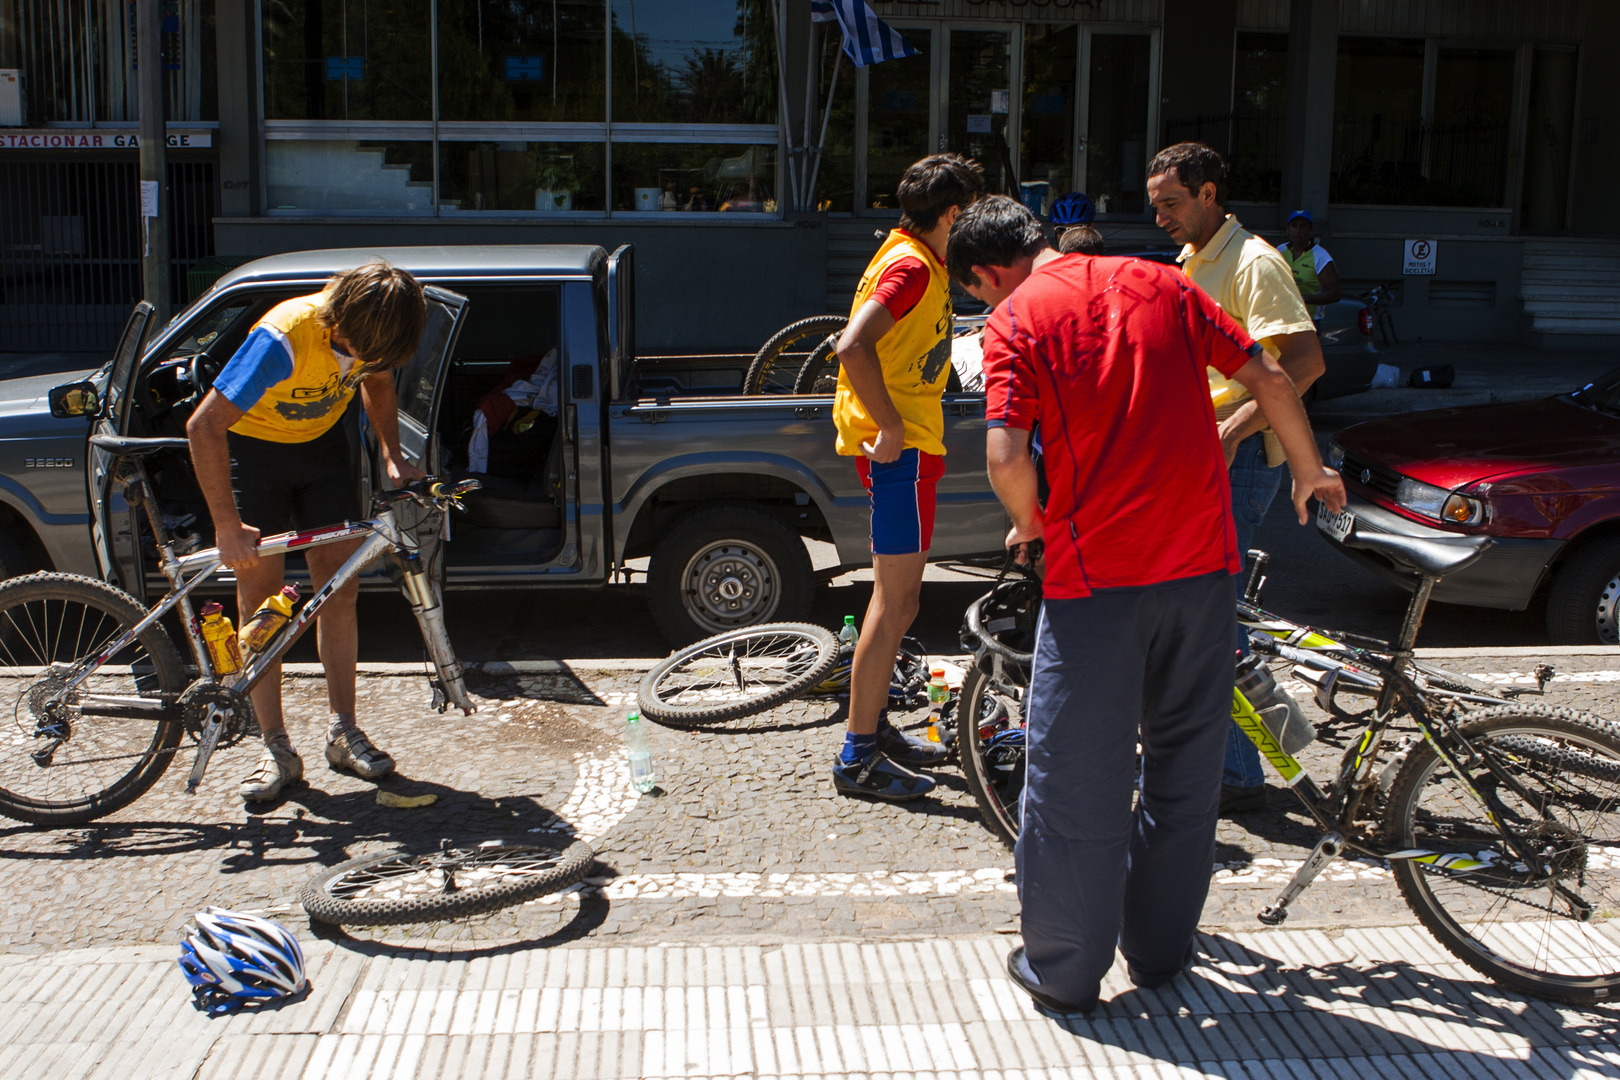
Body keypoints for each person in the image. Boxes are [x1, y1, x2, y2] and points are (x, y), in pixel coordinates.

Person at [950, 194, 1344, 1014]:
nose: (988, 304)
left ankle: (1064, 969)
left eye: (981, 292)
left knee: (1075, 780)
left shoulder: (1017, 319)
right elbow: (1271, 373)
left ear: (990, 273)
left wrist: (1031, 524)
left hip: (1099, 582)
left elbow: (1002, 457)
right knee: (1185, 770)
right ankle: (1162, 954)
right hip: (1203, 568)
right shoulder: (1162, 282)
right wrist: (1309, 470)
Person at [186, 262, 428, 801]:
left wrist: (392, 456)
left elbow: (380, 382)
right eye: (357, 351)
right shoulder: (283, 337)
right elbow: (203, 426)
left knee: (339, 592)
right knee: (262, 604)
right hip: (256, 456)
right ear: (339, 322)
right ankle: (274, 745)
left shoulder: (371, 337)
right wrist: (227, 524)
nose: (362, 362)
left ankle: (343, 731)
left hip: (322, 453)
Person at [1146, 142, 1324, 815]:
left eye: (1171, 202)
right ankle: (1235, 757)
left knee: (1217, 621)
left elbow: (1304, 363)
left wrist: (1231, 430)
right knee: (1206, 619)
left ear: (1209, 193)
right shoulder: (1193, 260)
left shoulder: (1254, 263)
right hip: (1199, 457)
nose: (1160, 215)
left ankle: (1242, 770)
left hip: (1238, 459)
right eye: (1156, 203)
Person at [830, 152, 983, 801]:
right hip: (904, 453)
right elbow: (852, 344)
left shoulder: (909, 255)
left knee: (898, 604)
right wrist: (890, 423)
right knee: (895, 606)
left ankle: (872, 729)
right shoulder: (913, 266)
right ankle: (858, 756)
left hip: (908, 452)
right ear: (950, 213)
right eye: (969, 215)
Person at [1277, 210, 1342, 317]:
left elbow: (1335, 294)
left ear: (1311, 229)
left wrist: (1304, 298)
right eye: (1294, 226)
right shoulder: (1279, 251)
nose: (1297, 231)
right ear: (1288, 228)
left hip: (1308, 322)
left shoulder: (1321, 257)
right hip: (1282, 319)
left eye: (1303, 227)